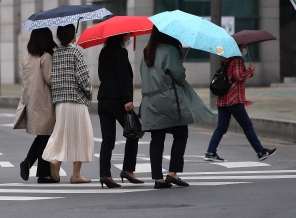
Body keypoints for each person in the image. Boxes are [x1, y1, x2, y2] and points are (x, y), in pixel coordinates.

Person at [139, 26, 214, 189]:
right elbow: (179, 78)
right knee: (181, 134)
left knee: (156, 139)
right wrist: (180, 67)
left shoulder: (146, 52)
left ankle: (158, 178)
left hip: (150, 102)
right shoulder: (170, 50)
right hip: (169, 100)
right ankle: (173, 172)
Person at [205, 44, 277, 162]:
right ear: (238, 48)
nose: (245, 49)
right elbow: (238, 77)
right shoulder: (237, 60)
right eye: (243, 47)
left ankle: (210, 152)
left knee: (221, 128)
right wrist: (250, 70)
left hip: (223, 100)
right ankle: (260, 152)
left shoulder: (227, 60)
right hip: (234, 99)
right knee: (247, 126)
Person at [42, 24, 94, 184]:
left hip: (60, 102)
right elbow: (83, 77)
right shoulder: (76, 51)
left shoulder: (55, 52)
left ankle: (56, 159)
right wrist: (89, 93)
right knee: (80, 135)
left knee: (62, 133)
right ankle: (76, 174)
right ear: (73, 35)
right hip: (76, 100)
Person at [97, 33, 143, 188]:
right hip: (117, 100)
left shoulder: (103, 52)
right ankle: (128, 170)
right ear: (122, 37)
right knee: (134, 131)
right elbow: (122, 78)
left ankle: (105, 175)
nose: (129, 39)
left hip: (103, 99)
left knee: (107, 140)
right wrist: (127, 100)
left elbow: (102, 76)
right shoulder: (121, 52)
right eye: (127, 36)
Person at [14, 28, 58, 183]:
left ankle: (29, 163)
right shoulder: (45, 57)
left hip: (31, 101)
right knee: (46, 136)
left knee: (44, 135)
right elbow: (49, 79)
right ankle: (42, 173)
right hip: (45, 101)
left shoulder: (26, 57)